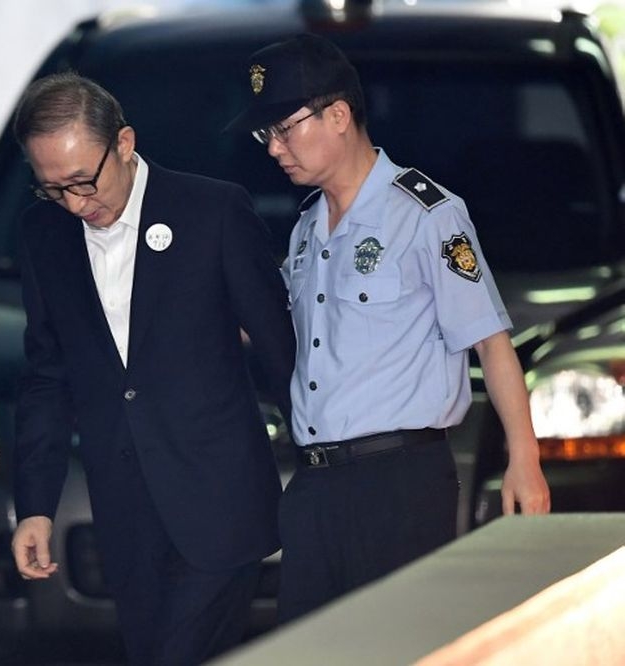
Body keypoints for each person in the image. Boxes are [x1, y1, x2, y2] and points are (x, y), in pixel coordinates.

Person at [225, 34, 551, 623]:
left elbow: (492, 342)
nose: (274, 149)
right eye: (264, 135)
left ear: (340, 115)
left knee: (398, 644)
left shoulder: (427, 214)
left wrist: (524, 460)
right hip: (316, 485)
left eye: (284, 129)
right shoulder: (305, 233)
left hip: (399, 484)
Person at [9, 72, 294, 665]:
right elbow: (46, 377)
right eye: (53, 189)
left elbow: (279, 347)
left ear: (125, 143)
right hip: (125, 514)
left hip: (220, 505)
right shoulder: (43, 236)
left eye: (84, 182)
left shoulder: (211, 210)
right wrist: (35, 505)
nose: (75, 204)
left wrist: (322, 469)